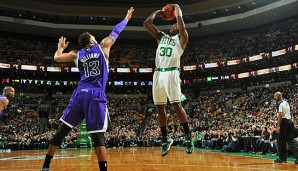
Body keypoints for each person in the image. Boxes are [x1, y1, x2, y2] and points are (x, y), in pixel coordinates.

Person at [40, 7, 134, 171]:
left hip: (79, 93)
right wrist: (126, 18)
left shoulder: (77, 54)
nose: (96, 38)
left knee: (63, 130)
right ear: (91, 40)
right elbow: (115, 31)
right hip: (95, 94)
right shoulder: (103, 46)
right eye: (93, 36)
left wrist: (61, 48)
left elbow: (56, 57)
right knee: (97, 135)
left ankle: (46, 165)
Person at [143, 4, 194, 156]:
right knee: (159, 108)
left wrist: (177, 10)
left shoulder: (182, 39)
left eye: (176, 25)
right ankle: (165, 139)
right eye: (172, 24)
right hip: (158, 74)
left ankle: (188, 136)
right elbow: (146, 24)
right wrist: (158, 12)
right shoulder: (162, 37)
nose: (173, 25)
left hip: (171, 73)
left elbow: (180, 22)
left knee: (177, 105)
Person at [273, 92, 298, 164]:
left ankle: (282, 159)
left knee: (280, 141)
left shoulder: (279, 103)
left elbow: (280, 115)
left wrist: (278, 126)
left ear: (278, 96)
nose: (274, 97)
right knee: (290, 140)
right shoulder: (286, 102)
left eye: (275, 96)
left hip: (284, 122)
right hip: (290, 122)